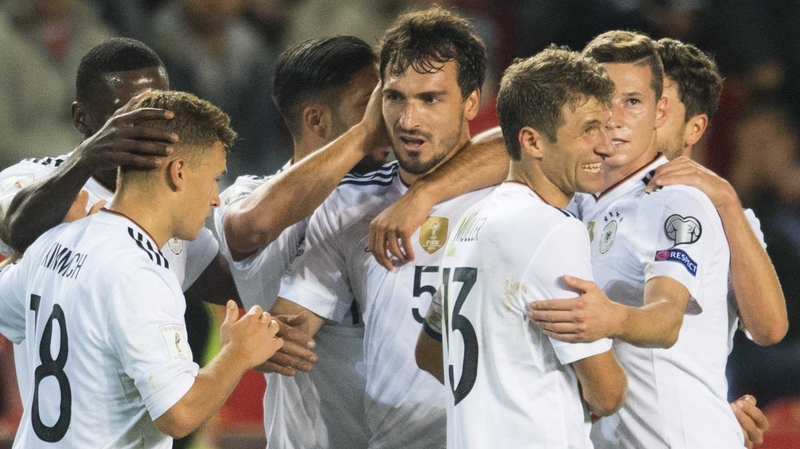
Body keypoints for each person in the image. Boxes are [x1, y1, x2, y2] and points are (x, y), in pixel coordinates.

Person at [0, 90, 284, 448]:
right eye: (214, 178)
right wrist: (238, 353)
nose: (215, 198)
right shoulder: (141, 273)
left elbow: (5, 310)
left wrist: (23, 255)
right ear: (178, 172)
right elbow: (179, 415)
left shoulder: (53, 238)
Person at [271, 6, 494, 447]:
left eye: (430, 99)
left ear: (471, 101)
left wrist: (425, 194)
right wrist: (270, 341)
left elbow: (528, 143)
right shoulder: (349, 205)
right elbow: (291, 326)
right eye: (395, 98)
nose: (408, 121)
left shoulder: (521, 193)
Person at [525, 30, 743, 447]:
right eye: (603, 101)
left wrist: (613, 317)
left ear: (660, 109)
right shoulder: (576, 205)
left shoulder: (673, 201)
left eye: (633, 101)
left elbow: (666, 320)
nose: (615, 118)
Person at [416, 46, 627, 448]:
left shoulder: (472, 220)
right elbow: (607, 393)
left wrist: (498, 396)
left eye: (605, 126)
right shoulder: (551, 230)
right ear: (532, 141)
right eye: (588, 129)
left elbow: (429, 353)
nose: (606, 146)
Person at [214, 35, 386, 448]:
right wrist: (366, 134)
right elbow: (253, 226)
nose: (390, 118)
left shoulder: (406, 195)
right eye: (370, 104)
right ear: (316, 121)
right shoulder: (247, 194)